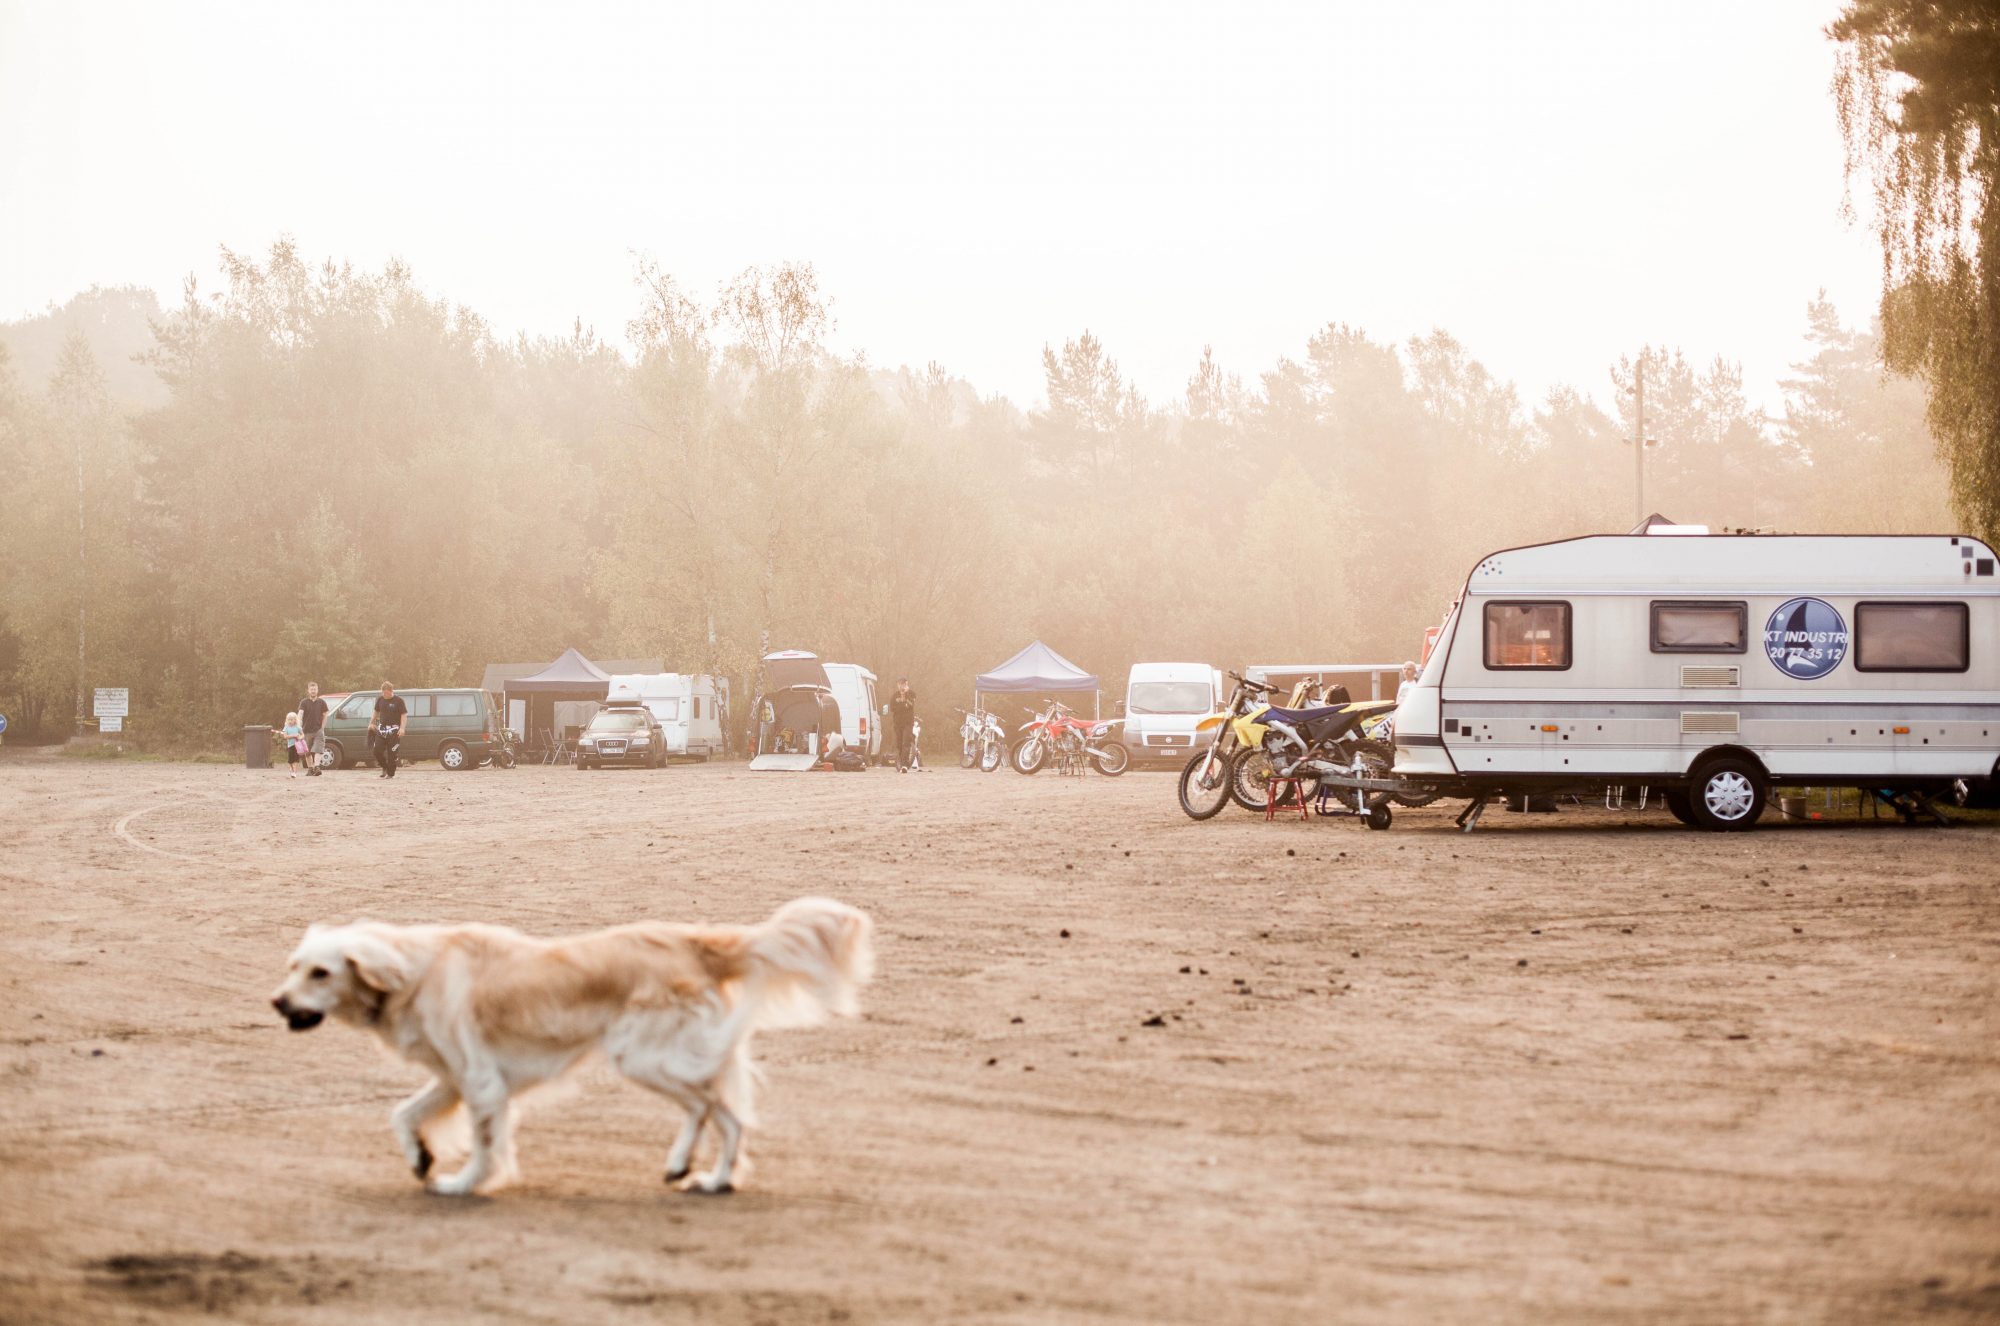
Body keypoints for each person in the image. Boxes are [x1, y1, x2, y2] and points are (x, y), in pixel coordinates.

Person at [371, 682, 409, 779]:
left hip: (394, 730)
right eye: (383, 693)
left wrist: (402, 728)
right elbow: (376, 711)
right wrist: (371, 723)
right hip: (382, 729)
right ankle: (384, 767)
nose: (385, 695)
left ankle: (390, 773)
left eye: (387, 693)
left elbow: (404, 715)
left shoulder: (399, 701)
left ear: (391, 691)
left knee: (392, 753)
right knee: (377, 751)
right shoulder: (380, 699)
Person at [299, 682, 329, 777]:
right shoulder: (304, 702)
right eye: (311, 689)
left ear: (317, 690)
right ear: (308, 691)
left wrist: (322, 727)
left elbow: (325, 715)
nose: (313, 691)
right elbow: (300, 714)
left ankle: (317, 767)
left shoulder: (322, 702)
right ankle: (310, 769)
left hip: (318, 730)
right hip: (306, 731)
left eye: (315, 689)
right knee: (307, 752)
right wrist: (299, 725)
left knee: (318, 749)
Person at [889, 677, 917, 773]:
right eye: (900, 684)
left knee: (906, 742)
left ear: (906, 684)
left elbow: (909, 705)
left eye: (903, 684)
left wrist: (905, 696)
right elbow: (892, 708)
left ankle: (905, 765)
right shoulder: (894, 695)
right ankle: (901, 763)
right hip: (897, 723)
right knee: (899, 744)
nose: (901, 686)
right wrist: (902, 705)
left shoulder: (912, 694)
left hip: (908, 723)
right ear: (898, 685)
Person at [279, 711, 306, 778]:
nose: (290, 721)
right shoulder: (286, 728)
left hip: (297, 746)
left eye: (292, 719)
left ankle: (294, 772)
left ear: (295, 720)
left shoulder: (298, 727)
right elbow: (285, 736)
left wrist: (300, 737)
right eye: (289, 720)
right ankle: (292, 769)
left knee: (296, 759)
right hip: (290, 746)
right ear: (287, 720)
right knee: (290, 760)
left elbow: (303, 734)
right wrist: (293, 735)